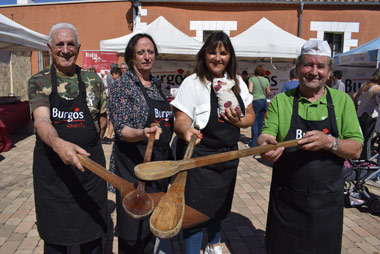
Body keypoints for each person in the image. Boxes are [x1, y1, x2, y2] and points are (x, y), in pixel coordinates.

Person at [257, 40, 363, 254]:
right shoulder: (282, 101)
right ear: (297, 68)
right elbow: (266, 134)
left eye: (320, 66)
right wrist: (264, 146)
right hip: (286, 201)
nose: (314, 72)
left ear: (329, 71)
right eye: (308, 65)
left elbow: (356, 148)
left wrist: (330, 142)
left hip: (326, 204)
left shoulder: (342, 102)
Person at [171, 31, 255, 254]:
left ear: (230, 57)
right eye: (212, 52)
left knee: (220, 207)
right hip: (200, 159)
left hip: (227, 158)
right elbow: (180, 119)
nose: (218, 58)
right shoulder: (192, 83)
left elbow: (250, 115)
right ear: (204, 54)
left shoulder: (236, 82)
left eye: (223, 53)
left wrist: (240, 122)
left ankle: (213, 245)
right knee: (194, 212)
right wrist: (185, 131)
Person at [28, 23, 108, 253]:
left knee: (93, 234)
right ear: (49, 48)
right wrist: (58, 143)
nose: (65, 50)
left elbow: (102, 121)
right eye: (59, 44)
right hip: (53, 173)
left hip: (89, 171)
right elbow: (41, 120)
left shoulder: (93, 80)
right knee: (55, 238)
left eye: (70, 44)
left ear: (79, 48)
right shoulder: (39, 81)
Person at [108, 33, 174, 254]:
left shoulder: (156, 84)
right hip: (132, 166)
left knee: (153, 224)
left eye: (150, 52)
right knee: (132, 229)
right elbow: (121, 129)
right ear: (131, 57)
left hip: (157, 166)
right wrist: (142, 133)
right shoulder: (123, 86)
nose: (147, 57)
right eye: (141, 52)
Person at [247, 65, 270, 147]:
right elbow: (268, 92)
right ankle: (260, 142)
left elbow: (250, 90)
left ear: (255, 71)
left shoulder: (252, 79)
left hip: (256, 101)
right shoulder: (266, 80)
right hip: (264, 101)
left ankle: (253, 143)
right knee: (261, 123)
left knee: (254, 122)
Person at [103, 67, 122, 145]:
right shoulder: (120, 82)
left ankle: (108, 136)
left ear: (116, 74)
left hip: (117, 105)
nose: (112, 77)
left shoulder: (118, 83)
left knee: (112, 120)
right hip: (116, 104)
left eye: (113, 75)